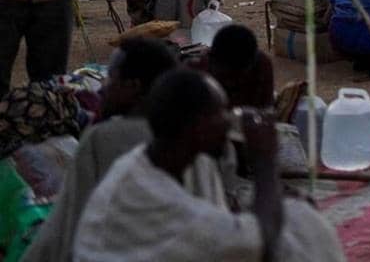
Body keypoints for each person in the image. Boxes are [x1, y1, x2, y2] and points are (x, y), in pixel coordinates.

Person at [73, 69, 345, 262]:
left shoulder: (148, 164)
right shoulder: (152, 196)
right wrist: (265, 162)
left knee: (294, 214)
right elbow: (260, 240)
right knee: (304, 227)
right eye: (220, 114)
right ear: (196, 127)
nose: (228, 122)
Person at [22, 39, 183, 262]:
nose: (104, 88)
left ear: (133, 87)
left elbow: (68, 219)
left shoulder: (104, 139)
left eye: (112, 79)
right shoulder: (184, 135)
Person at [206, 24, 275, 109]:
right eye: (227, 76)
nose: (232, 82)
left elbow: (267, 106)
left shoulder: (262, 65)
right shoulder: (198, 71)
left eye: (238, 75)